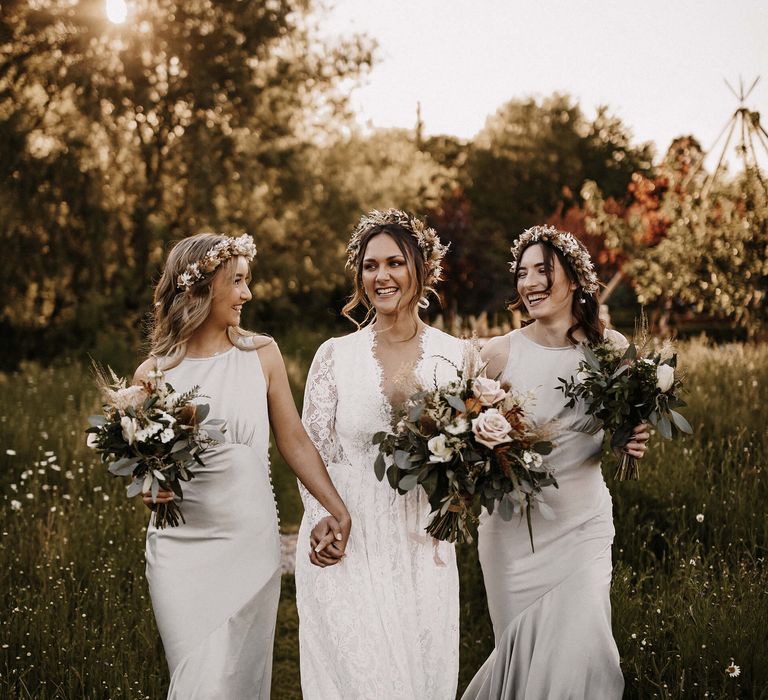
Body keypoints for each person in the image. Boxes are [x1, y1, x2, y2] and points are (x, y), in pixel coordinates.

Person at [133, 232, 350, 699]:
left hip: (248, 543)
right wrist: (151, 489)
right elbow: (145, 472)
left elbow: (293, 440)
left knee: (235, 678)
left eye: (247, 281)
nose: (247, 294)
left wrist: (336, 507)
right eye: (237, 281)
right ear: (201, 286)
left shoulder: (261, 353)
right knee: (198, 678)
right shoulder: (152, 374)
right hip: (178, 549)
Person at [463, 225, 649, 699]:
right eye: (522, 273)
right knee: (524, 656)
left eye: (542, 270)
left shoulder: (613, 350)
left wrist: (633, 439)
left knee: (586, 652)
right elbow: (463, 438)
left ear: (573, 278)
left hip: (582, 525)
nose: (530, 283)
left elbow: (623, 427)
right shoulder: (497, 354)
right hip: (512, 535)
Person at [294, 209, 464, 699]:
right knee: (360, 679)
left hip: (421, 539)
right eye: (370, 266)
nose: (381, 276)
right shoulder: (334, 356)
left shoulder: (456, 356)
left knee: (419, 678)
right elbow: (312, 451)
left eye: (394, 263)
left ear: (420, 269)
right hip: (348, 534)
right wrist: (324, 518)